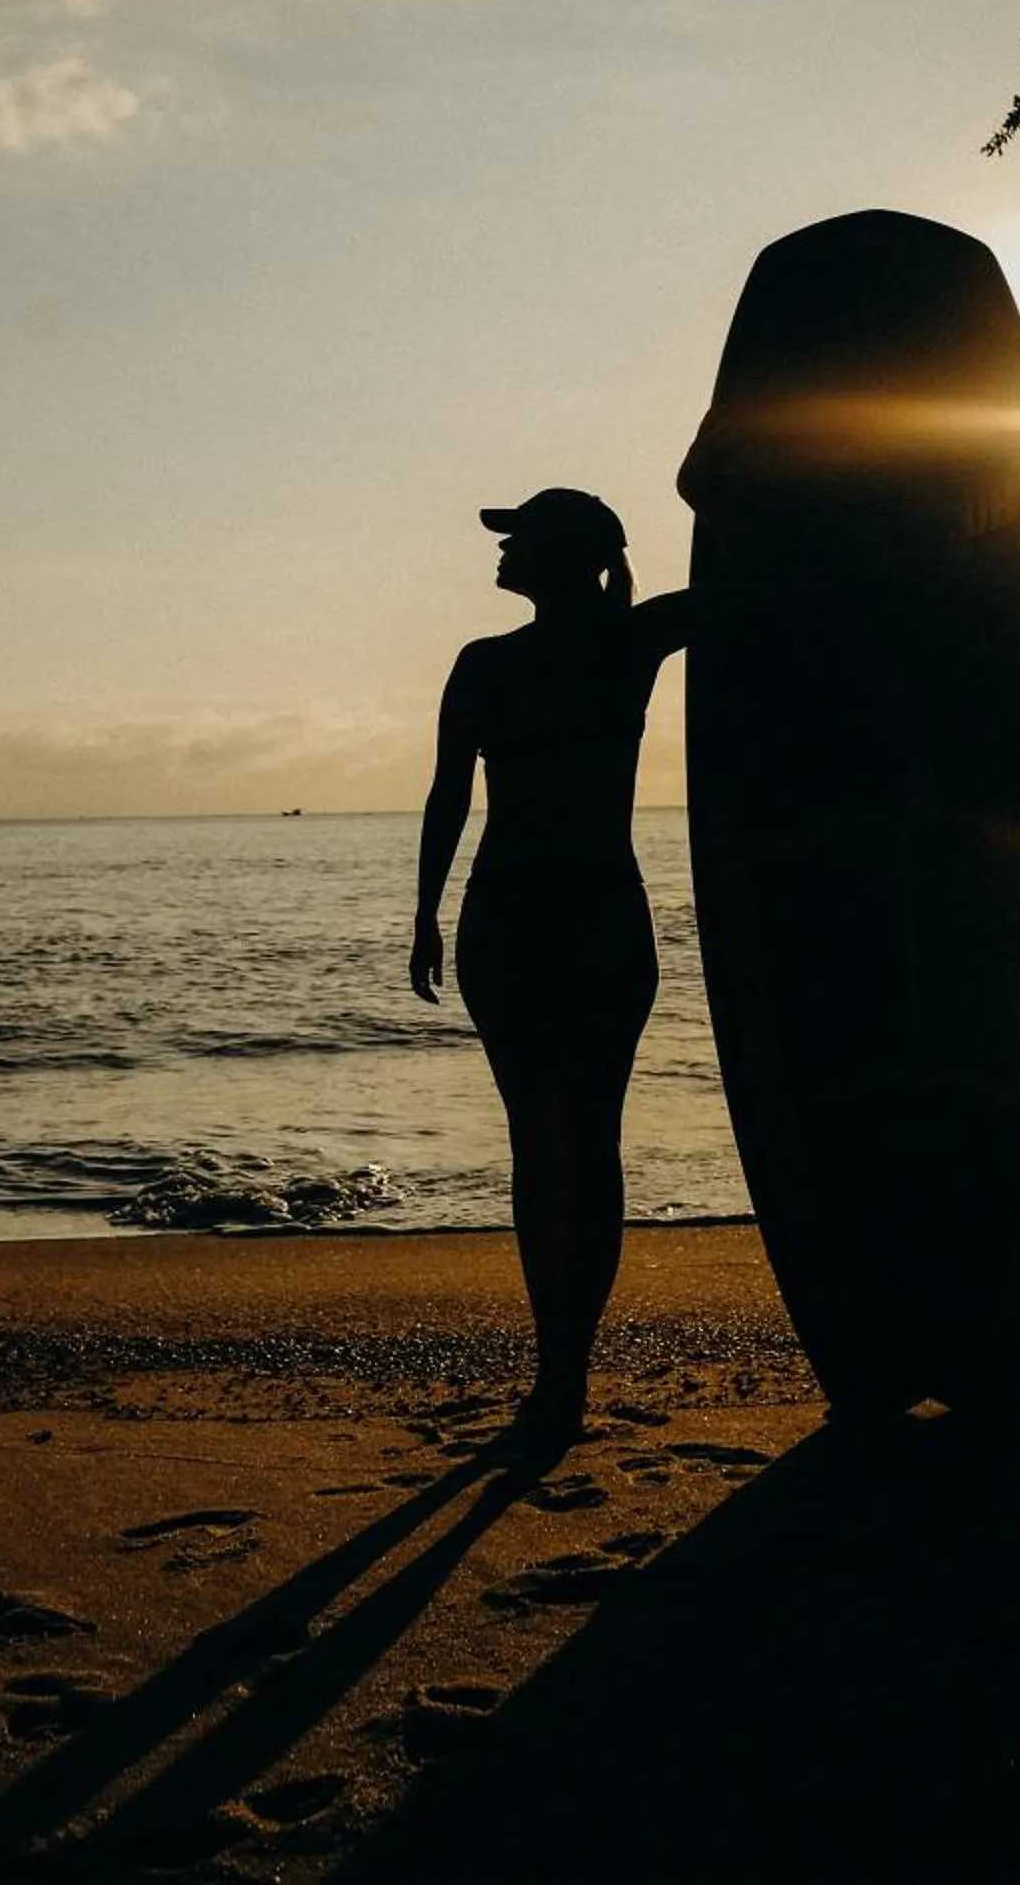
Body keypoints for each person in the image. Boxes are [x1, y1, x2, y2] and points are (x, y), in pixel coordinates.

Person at [412, 489, 689, 1445]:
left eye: (519, 536)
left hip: (538, 916)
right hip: (563, 915)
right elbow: (448, 793)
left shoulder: (600, 647)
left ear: (562, 556)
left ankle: (561, 1372)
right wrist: (423, 913)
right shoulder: (616, 647)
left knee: (557, 1145)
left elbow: (452, 794)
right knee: (572, 1143)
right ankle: (561, 1368)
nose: (502, 550)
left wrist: (428, 915)